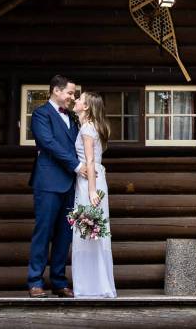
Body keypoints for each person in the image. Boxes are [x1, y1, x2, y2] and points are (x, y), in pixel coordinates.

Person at [27, 75, 87, 298]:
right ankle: (35, 282)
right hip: (48, 182)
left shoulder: (72, 117)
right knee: (43, 232)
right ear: (56, 91)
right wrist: (77, 165)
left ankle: (59, 282)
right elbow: (48, 143)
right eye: (70, 93)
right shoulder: (41, 114)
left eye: (74, 94)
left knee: (65, 235)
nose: (73, 97)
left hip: (71, 185)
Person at [71, 91, 117, 298]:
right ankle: (95, 284)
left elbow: (89, 161)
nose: (76, 100)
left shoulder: (88, 128)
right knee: (91, 232)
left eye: (79, 99)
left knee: (88, 233)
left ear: (87, 107)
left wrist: (90, 191)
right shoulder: (89, 127)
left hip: (90, 182)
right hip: (94, 180)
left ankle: (91, 286)